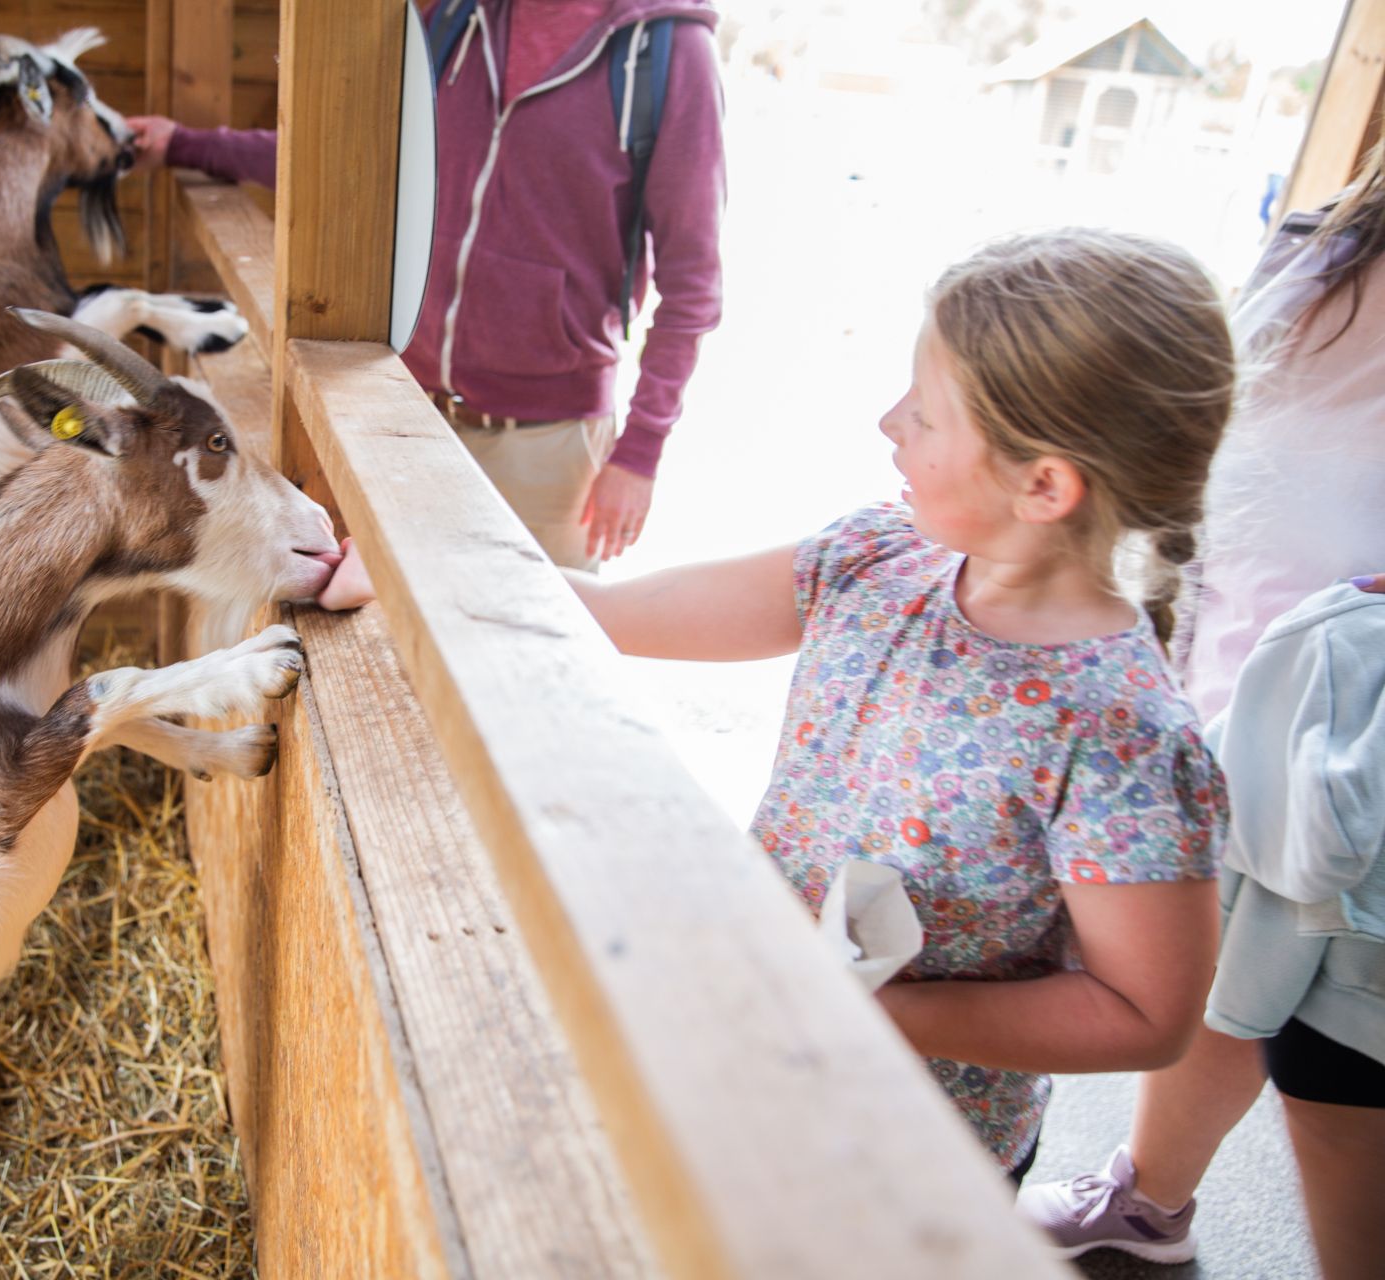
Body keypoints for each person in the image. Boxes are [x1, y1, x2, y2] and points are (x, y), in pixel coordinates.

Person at [564, 228, 1236, 1182]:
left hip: (913, 1154)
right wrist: (431, 575)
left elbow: (1147, 1016)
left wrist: (886, 1015)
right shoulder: (879, 560)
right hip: (758, 1063)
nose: (889, 423)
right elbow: (619, 613)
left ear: (1043, 484)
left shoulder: (1120, 734)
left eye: (924, 413)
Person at [1016, 163, 1385, 1277]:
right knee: (1236, 958)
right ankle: (1149, 1197)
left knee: (1333, 1057)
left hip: (1352, 738)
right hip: (1243, 683)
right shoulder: (1327, 242)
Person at [127, 0, 727, 572]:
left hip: (549, 447)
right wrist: (186, 144)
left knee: (528, 665)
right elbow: (341, 159)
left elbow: (693, 287)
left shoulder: (666, 52)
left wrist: (641, 452)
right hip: (405, 415)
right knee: (382, 655)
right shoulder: (451, 19)